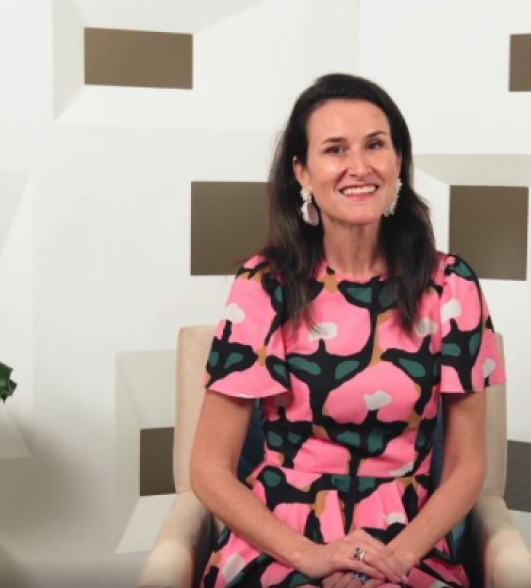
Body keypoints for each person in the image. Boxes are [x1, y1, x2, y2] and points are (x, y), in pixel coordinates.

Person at [190, 72, 505, 588]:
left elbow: (468, 464)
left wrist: (395, 559)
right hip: (280, 538)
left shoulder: (451, 285)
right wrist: (308, 556)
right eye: (335, 149)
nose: (358, 167)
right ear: (303, 172)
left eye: (375, 145)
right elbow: (208, 468)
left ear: (398, 160)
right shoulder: (264, 285)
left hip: (406, 540)